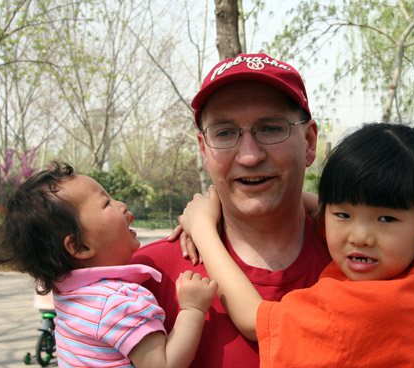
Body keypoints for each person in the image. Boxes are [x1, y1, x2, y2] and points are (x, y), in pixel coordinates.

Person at [179, 123, 414, 367]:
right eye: (344, 215)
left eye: (386, 219)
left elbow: (253, 319)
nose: (359, 237)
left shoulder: (365, 308)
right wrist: (238, 195)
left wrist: (202, 228)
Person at [129, 53, 332, 367]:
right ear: (204, 150)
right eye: (224, 133)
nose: (249, 156)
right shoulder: (147, 279)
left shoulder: (369, 261)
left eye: (271, 128)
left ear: (309, 141)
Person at [0, 162, 217, 368]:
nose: (122, 205)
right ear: (80, 247)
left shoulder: (68, 295)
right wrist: (193, 309)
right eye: (106, 202)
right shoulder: (119, 302)